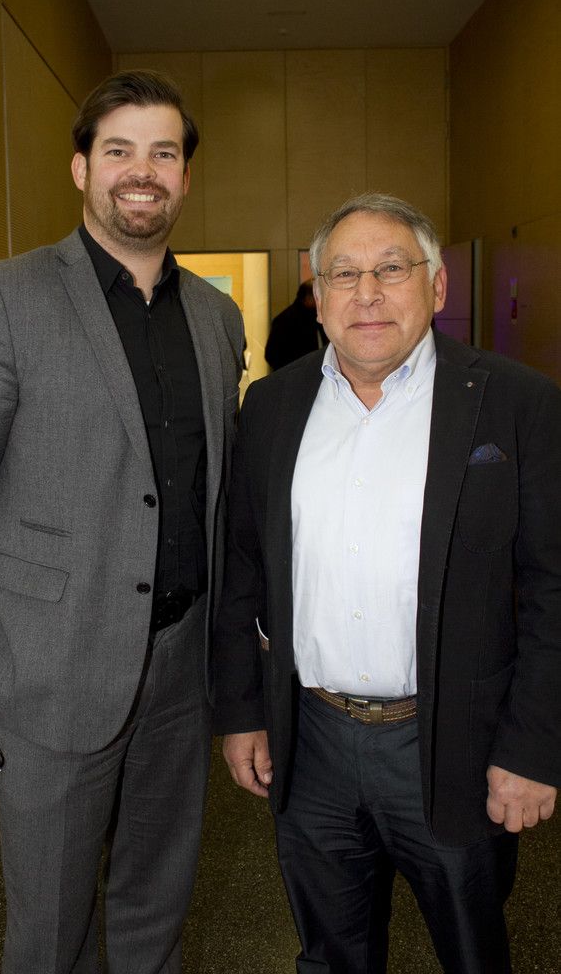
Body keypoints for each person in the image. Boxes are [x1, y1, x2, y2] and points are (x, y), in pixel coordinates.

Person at [0, 70, 244, 974]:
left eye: (163, 153)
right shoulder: (4, 297)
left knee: (156, 906)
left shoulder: (216, 317)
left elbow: (214, 493)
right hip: (47, 667)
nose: (142, 171)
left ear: (184, 177)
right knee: (50, 930)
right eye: (119, 150)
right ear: (81, 168)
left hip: (180, 668)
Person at [214, 193, 560, 973]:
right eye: (343, 274)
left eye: (391, 269)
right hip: (310, 743)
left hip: (455, 743)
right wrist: (242, 711)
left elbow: (552, 589)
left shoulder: (517, 404)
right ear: (317, 294)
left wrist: (535, 747)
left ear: (435, 287)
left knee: (471, 953)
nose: (366, 293)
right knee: (331, 954)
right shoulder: (271, 406)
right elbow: (243, 567)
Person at [264, 278, 326, 369]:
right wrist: (293, 372)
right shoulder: (284, 320)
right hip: (295, 374)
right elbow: (271, 355)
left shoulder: (317, 316)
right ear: (308, 298)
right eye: (318, 297)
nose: (322, 301)